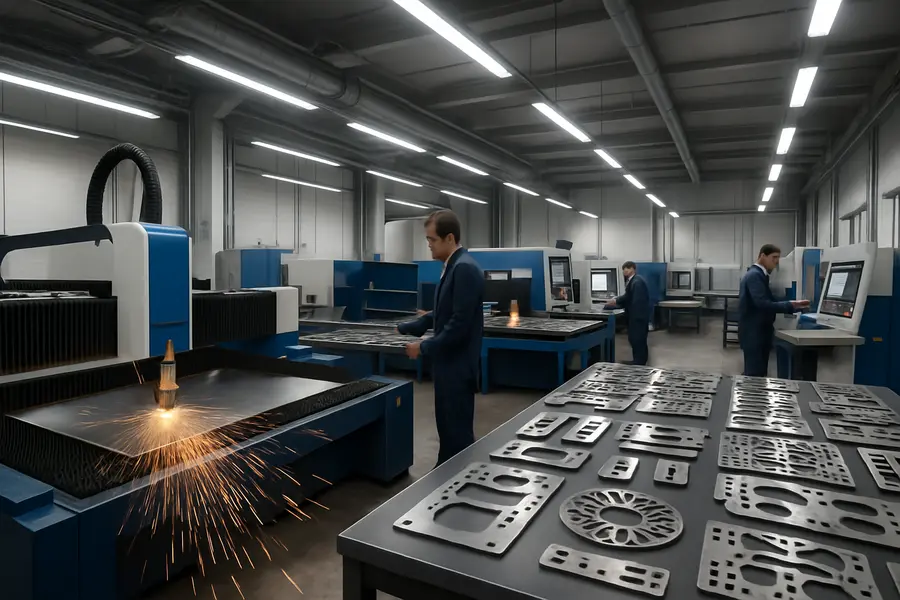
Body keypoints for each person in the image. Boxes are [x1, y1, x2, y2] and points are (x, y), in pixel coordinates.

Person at [397, 210, 484, 466]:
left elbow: (459, 325)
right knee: (448, 433)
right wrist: (415, 325)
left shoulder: (464, 268)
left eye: (432, 240)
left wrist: (423, 347)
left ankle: (456, 485)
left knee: (456, 438)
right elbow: (447, 310)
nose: (429, 245)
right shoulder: (455, 266)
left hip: (457, 369)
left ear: (449, 237)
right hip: (449, 368)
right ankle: (448, 477)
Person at [739, 244, 810, 376]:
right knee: (755, 375)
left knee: (756, 373)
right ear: (762, 256)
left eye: (778, 258)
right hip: (754, 334)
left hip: (756, 332)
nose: (777, 261)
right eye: (774, 257)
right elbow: (762, 303)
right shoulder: (755, 275)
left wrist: (793, 305)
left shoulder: (759, 275)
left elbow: (770, 300)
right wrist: (790, 305)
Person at [606, 261, 650, 365]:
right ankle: (639, 361)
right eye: (624, 268)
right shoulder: (633, 281)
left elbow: (635, 301)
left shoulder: (637, 282)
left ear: (634, 269)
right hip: (638, 317)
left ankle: (639, 362)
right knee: (637, 340)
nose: (625, 270)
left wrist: (618, 304)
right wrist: (616, 302)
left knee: (637, 339)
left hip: (637, 318)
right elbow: (628, 297)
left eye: (628, 268)